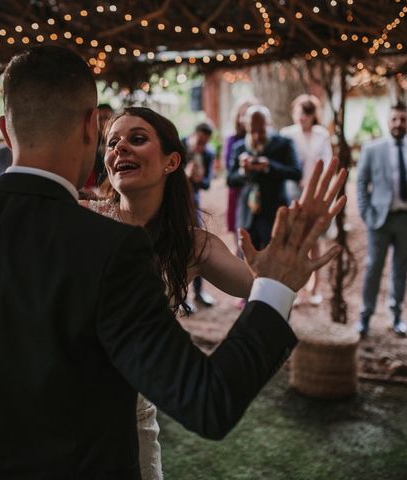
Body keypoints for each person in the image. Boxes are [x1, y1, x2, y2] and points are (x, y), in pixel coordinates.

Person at [0, 46, 342, 479]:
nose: (119, 147)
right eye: (112, 136)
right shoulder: (107, 245)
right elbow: (207, 402)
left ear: (4, 128)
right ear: (92, 126)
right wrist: (276, 284)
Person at [90, 107, 347, 478]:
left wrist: (283, 263)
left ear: (171, 161)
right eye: (112, 143)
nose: (120, 149)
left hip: (133, 413)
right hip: (70, 397)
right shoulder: (83, 220)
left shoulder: (194, 246)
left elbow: (261, 290)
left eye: (138, 139)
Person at [356, 101, 407, 338]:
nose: (398, 124)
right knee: (373, 268)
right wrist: (366, 214)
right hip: (380, 220)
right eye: (394, 119)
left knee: (401, 269)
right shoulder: (371, 149)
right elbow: (361, 183)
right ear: (388, 121)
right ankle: (365, 316)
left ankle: (396, 315)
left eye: (402, 119)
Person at [281, 94, 334, 306]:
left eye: (306, 113)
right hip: (293, 192)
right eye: (298, 112)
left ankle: (315, 287)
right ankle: (295, 288)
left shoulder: (321, 134)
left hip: (316, 193)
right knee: (294, 240)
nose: (301, 117)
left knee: (315, 240)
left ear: (313, 116)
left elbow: (328, 162)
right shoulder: (287, 134)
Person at [228, 105, 302, 249]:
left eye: (261, 131)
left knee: (274, 261)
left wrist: (269, 166)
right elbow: (230, 180)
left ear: (268, 124)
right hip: (247, 214)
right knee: (246, 262)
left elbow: (296, 173)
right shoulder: (239, 148)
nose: (256, 136)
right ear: (246, 125)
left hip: (274, 211)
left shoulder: (284, 144)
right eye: (252, 131)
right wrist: (243, 172)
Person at [183, 122, 216, 307]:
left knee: (198, 246)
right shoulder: (177, 145)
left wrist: (199, 179)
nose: (202, 146)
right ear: (193, 134)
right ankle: (181, 296)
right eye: (200, 141)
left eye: (205, 143)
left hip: (194, 205)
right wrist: (184, 175)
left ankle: (199, 292)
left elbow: (207, 184)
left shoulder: (208, 153)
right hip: (173, 202)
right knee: (178, 250)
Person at [223, 99, 255, 248]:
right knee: (241, 239)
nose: (245, 119)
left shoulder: (266, 138)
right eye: (242, 115)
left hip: (259, 195)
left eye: (249, 115)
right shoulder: (232, 140)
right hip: (238, 193)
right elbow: (229, 172)